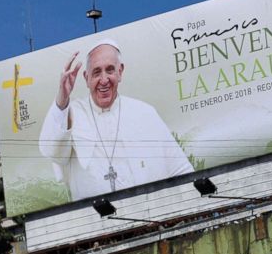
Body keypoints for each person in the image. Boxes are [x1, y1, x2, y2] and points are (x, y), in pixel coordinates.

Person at [38, 39, 194, 201]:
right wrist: (62, 99)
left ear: (120, 72)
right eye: (96, 72)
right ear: (86, 77)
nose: (104, 80)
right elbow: (52, 151)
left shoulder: (145, 112)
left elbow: (180, 170)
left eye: (110, 70)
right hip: (94, 220)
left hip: (151, 215)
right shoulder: (72, 113)